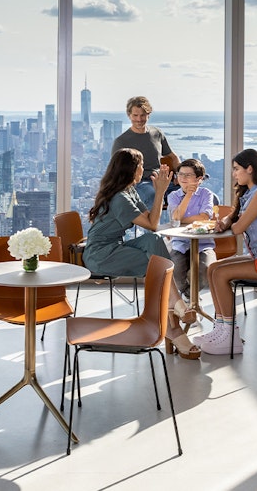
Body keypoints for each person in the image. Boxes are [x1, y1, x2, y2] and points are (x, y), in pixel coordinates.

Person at [83, 148, 200, 359]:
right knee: (157, 266)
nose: (143, 169)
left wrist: (159, 191)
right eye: (141, 165)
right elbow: (153, 223)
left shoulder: (129, 191)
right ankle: (175, 323)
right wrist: (161, 192)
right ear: (131, 169)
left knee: (153, 245)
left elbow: (151, 226)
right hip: (101, 256)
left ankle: (175, 314)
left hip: (115, 248)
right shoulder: (120, 198)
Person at [196, 149, 257, 356]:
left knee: (221, 273)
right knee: (213, 268)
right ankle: (221, 329)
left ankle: (230, 336)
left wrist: (229, 224)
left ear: (249, 168)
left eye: (236, 169)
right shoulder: (249, 193)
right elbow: (233, 219)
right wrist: (223, 222)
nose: (234, 174)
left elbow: (239, 227)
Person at [110, 96, 178, 208]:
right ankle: (152, 225)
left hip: (161, 180)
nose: (139, 119)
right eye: (135, 115)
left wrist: (180, 175)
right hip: (140, 183)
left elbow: (173, 157)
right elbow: (116, 171)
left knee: (195, 192)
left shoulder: (157, 133)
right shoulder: (121, 141)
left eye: (143, 115)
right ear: (129, 115)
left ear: (148, 115)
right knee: (152, 195)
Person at [167, 159, 216, 302]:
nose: (182, 178)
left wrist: (181, 218)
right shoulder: (173, 196)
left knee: (206, 270)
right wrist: (188, 195)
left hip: (203, 243)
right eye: (180, 174)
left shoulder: (206, 194)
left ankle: (189, 297)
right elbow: (176, 218)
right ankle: (191, 297)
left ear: (199, 179)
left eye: (188, 175)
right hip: (180, 243)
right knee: (174, 271)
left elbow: (205, 217)